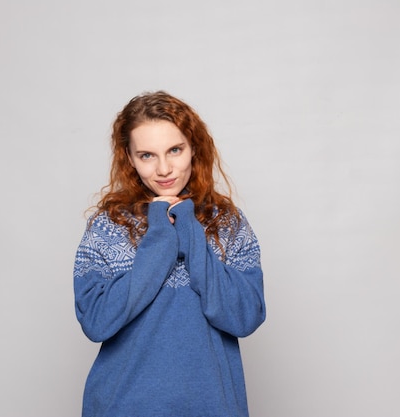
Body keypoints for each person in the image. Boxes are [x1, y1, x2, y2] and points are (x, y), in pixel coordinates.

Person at [73, 91, 266, 417]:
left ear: (194, 148)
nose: (164, 169)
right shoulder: (108, 226)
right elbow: (97, 322)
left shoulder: (227, 223)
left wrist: (190, 231)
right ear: (130, 158)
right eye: (147, 155)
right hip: (123, 407)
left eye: (175, 150)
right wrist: (160, 238)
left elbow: (245, 317)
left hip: (212, 407)